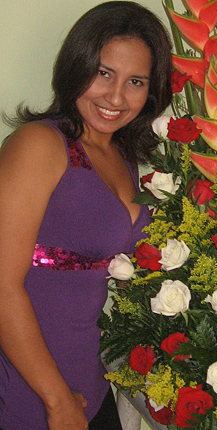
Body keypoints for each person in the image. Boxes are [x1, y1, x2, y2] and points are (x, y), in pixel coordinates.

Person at [0, 1, 172, 429]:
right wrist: (56, 399)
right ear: (76, 68)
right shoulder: (39, 145)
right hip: (30, 385)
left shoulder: (120, 155)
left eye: (135, 81)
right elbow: (1, 285)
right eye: (103, 73)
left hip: (90, 385)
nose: (116, 97)